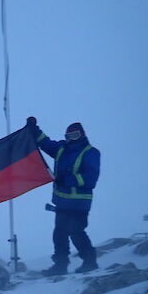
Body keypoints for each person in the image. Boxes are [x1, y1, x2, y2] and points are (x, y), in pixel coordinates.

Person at [26, 117, 101, 275]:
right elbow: (46, 143)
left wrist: (67, 180)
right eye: (68, 136)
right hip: (62, 202)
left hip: (79, 203)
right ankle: (60, 265)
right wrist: (34, 129)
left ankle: (90, 261)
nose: (71, 139)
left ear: (82, 134)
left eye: (74, 135)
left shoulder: (90, 152)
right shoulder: (62, 149)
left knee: (76, 231)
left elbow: (90, 178)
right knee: (59, 233)